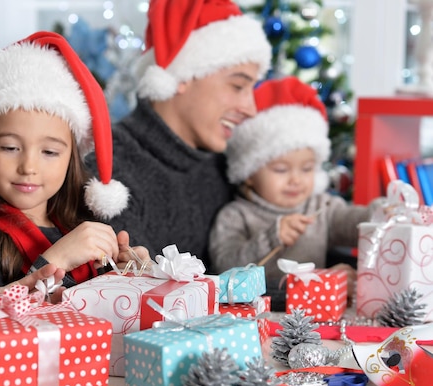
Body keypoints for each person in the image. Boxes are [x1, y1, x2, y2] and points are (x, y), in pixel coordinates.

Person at [0, 32, 148, 304]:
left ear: (71, 157)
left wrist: (130, 275)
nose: (29, 167)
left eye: (49, 152)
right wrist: (58, 260)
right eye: (10, 148)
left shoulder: (82, 225)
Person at [84, 0, 271, 269]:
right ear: (183, 74)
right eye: (238, 85)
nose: (251, 108)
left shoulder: (222, 167)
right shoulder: (108, 172)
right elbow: (144, 294)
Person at [209, 77, 381, 311]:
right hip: (255, 318)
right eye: (281, 169)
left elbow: (353, 223)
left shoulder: (320, 206)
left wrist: (382, 213)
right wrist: (271, 238)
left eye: (307, 168)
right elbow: (224, 270)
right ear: (249, 172)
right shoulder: (235, 216)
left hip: (313, 316)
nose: (296, 179)